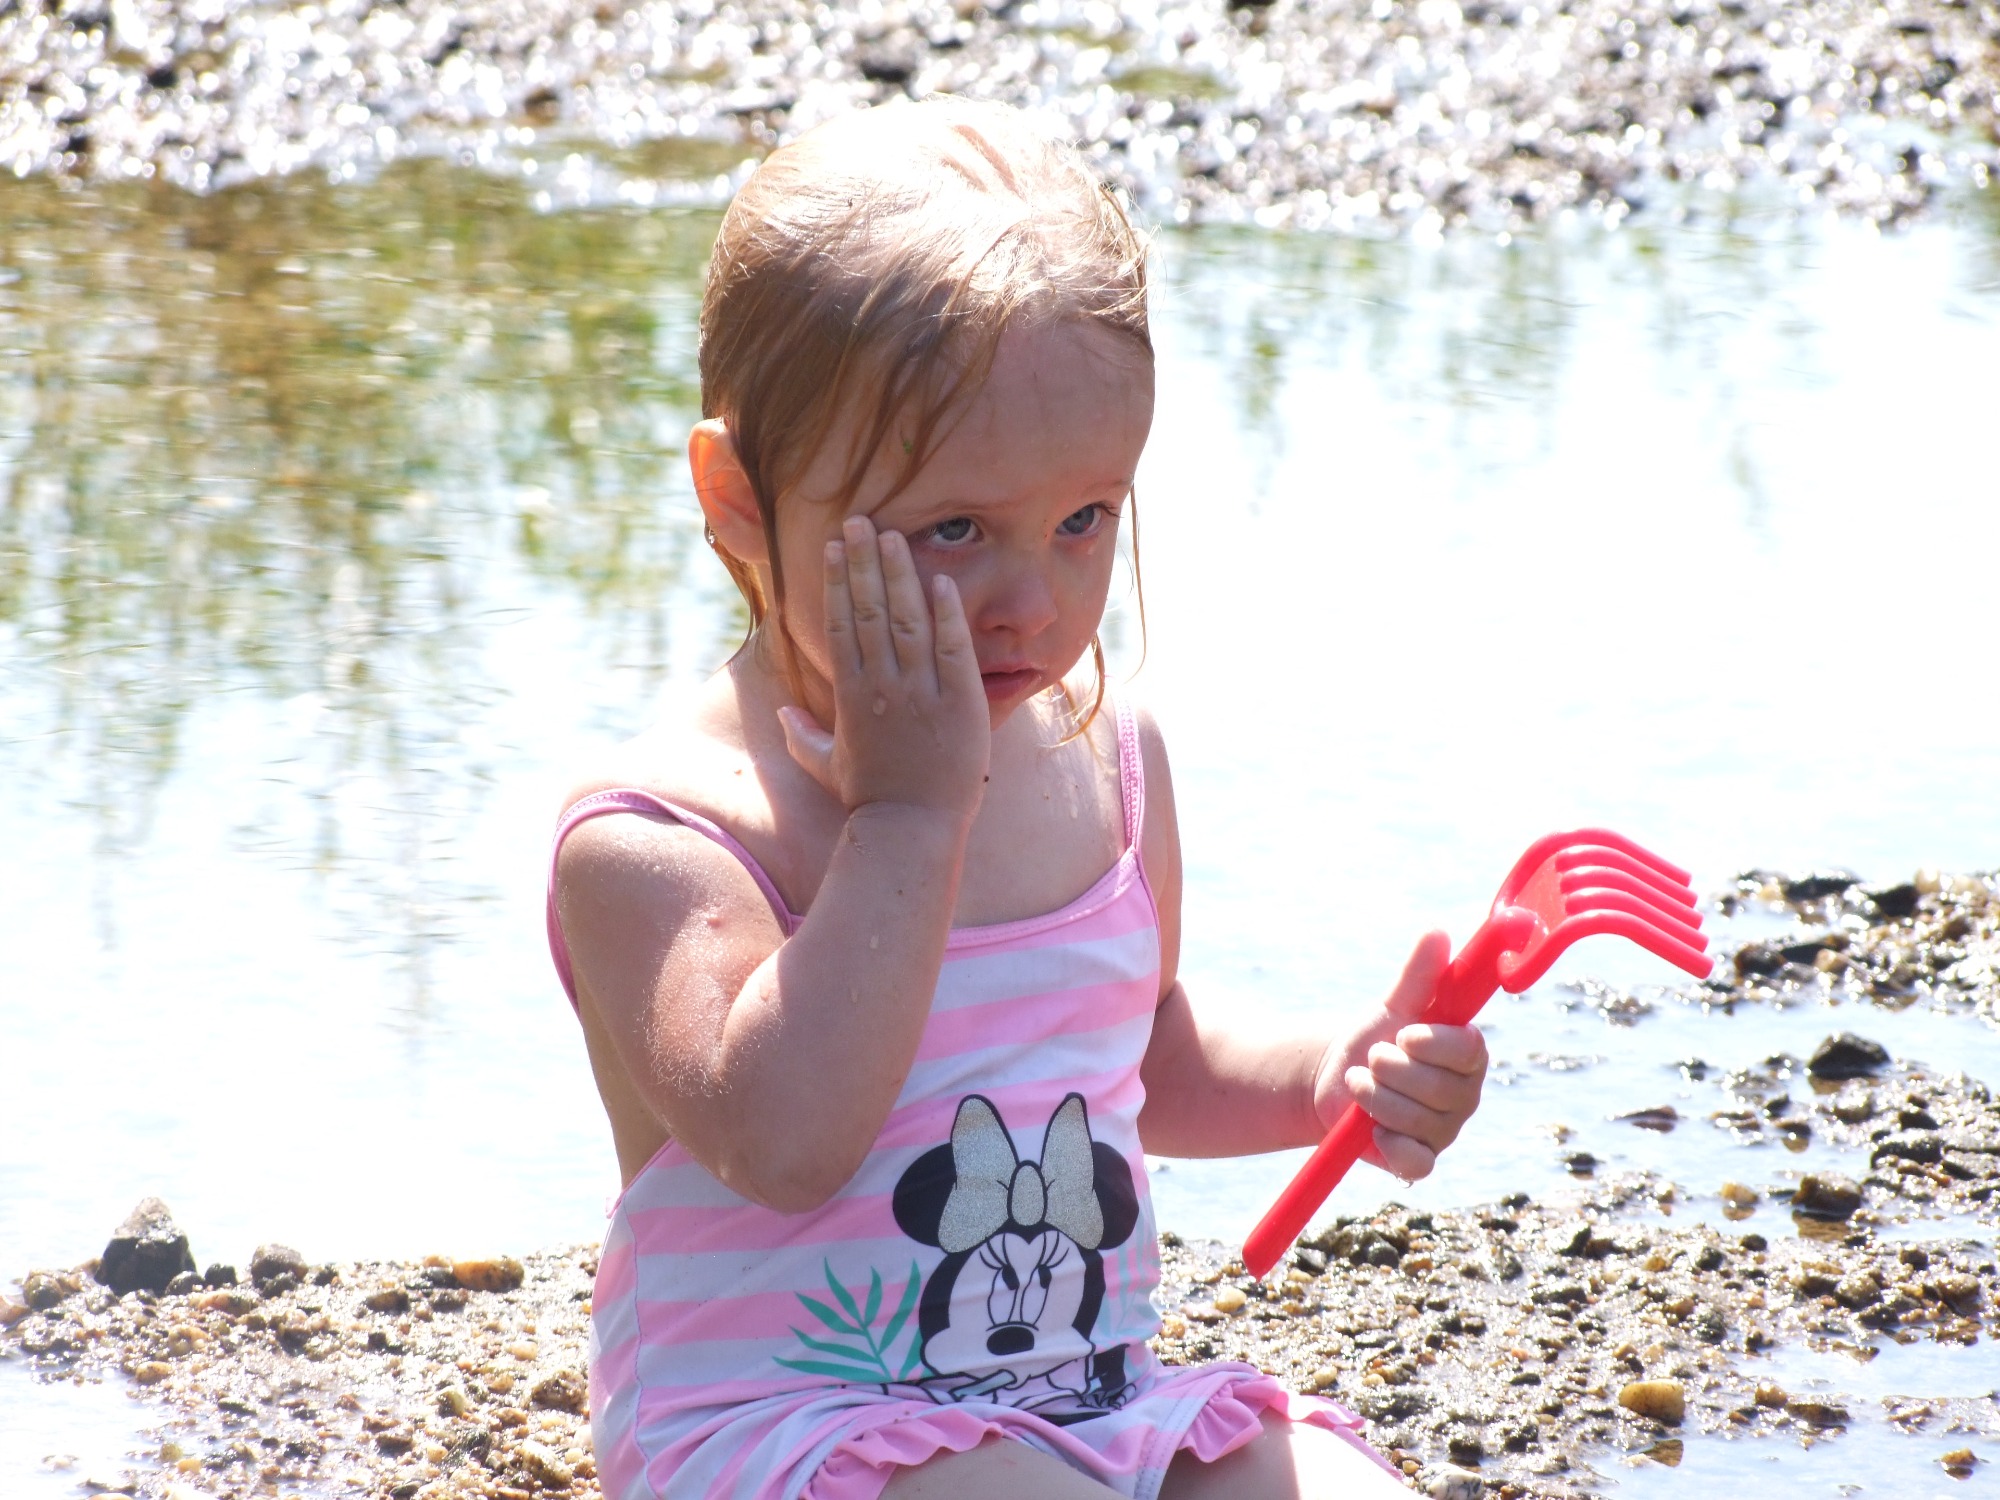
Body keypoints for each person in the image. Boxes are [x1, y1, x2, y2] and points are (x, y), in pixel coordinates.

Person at [546, 96, 1488, 1500]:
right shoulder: (661, 838)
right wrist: (907, 820)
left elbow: (1134, 1051)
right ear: (738, 499)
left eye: (1083, 521)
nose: (1031, 602)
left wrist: (1330, 1073)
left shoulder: (1105, 760)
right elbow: (786, 1140)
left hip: (1095, 1408)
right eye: (953, 532)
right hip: (782, 1435)